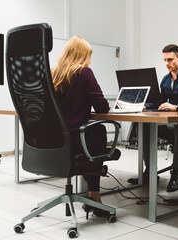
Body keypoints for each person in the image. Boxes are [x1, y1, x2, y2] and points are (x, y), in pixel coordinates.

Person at [128, 44, 178, 192]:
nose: (167, 63)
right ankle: (149, 170)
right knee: (145, 125)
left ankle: (175, 175)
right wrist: (145, 106)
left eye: (170, 59)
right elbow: (159, 102)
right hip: (171, 121)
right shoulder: (165, 80)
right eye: (165, 60)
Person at [51, 36, 110, 217]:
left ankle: (94, 179)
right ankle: (94, 194)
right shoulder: (83, 72)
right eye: (88, 55)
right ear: (82, 55)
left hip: (52, 142)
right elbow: (103, 107)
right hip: (73, 140)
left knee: (92, 134)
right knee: (98, 131)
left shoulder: (52, 73)